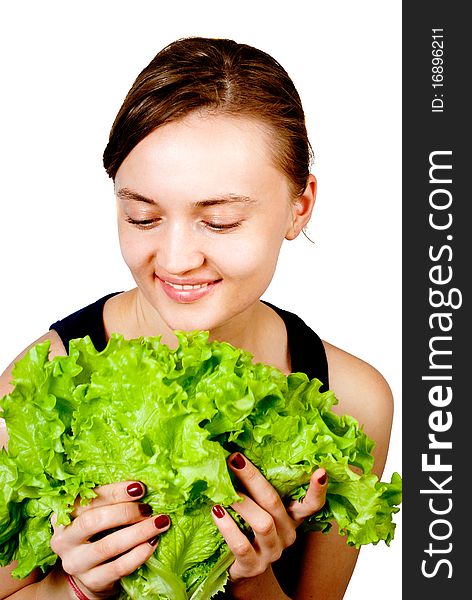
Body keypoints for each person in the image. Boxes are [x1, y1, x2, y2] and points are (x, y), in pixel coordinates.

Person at [0, 37, 393, 599]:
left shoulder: (353, 402)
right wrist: (79, 590)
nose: (177, 259)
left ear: (300, 204)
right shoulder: (40, 387)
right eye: (142, 217)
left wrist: (253, 581)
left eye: (222, 221)